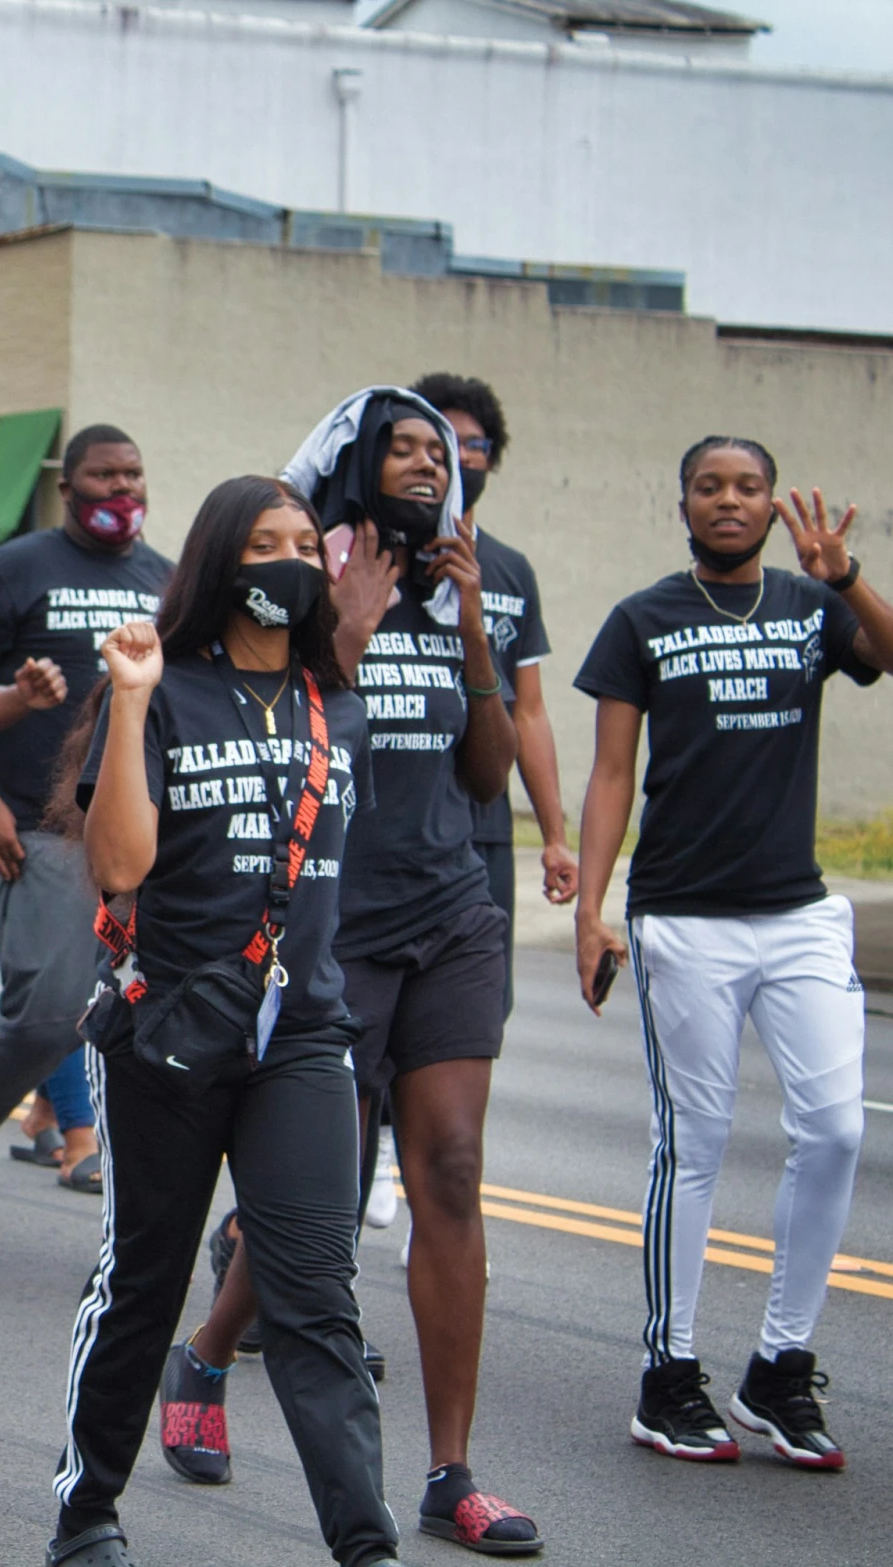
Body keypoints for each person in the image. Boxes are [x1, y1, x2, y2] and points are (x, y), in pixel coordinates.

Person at [192, 388, 536, 1555]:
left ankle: (449, 1470)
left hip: (450, 915)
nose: (422, 464)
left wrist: (476, 632)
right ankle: (203, 1351)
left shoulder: (467, 589)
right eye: (398, 446)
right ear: (354, 461)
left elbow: (486, 778)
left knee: (447, 1167)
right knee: (318, 1201)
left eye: (434, 452)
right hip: (329, 929)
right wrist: (343, 617)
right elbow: (303, 721)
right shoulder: (306, 571)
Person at [51, 475, 392, 1567]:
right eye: (263, 542)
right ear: (217, 564)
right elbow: (115, 866)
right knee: (143, 1284)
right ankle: (85, 1513)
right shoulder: (165, 688)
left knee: (314, 1294)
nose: (289, 559)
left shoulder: (339, 706)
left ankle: (364, 1543)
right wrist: (134, 700)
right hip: (173, 1027)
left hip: (300, 1033)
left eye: (304, 541)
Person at [576, 438, 885, 1472]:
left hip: (795, 911)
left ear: (767, 504)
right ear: (681, 505)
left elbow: (886, 655)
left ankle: (778, 1365)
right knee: (692, 1142)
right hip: (684, 918)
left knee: (835, 1129)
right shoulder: (641, 620)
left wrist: (845, 578)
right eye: (707, 485)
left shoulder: (810, 604)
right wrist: (594, 908)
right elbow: (611, 771)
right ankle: (667, 1374)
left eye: (745, 485)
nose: (727, 499)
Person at [0, 423, 169, 1227]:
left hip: (143, 828)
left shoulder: (165, 578)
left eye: (132, 474)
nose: (121, 488)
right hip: (41, 824)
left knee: (146, 1020)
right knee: (45, 1009)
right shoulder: (16, 568)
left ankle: (132, 1188)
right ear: (67, 488)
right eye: (103, 475)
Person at [412, 374, 576, 1013]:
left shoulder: (510, 570)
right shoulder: (373, 556)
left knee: (475, 1008)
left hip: (481, 826)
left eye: (472, 443)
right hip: (398, 822)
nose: (458, 455)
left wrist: (556, 836)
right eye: (441, 440)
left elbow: (528, 712)